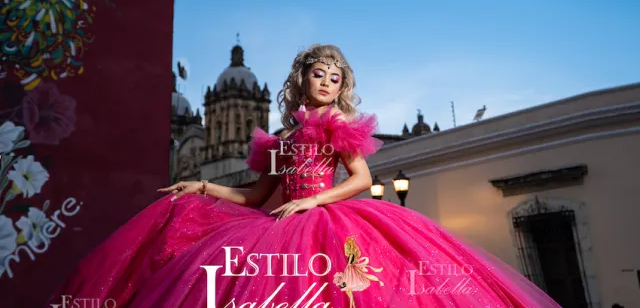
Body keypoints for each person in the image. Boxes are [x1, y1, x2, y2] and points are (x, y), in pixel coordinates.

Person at [50, 44, 562, 307]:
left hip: (330, 221)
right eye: (319, 73)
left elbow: (361, 177)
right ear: (302, 80)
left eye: (336, 77)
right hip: (277, 226)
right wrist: (201, 186)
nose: (327, 82)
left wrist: (314, 203)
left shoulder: (338, 123)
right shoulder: (282, 139)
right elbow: (255, 197)